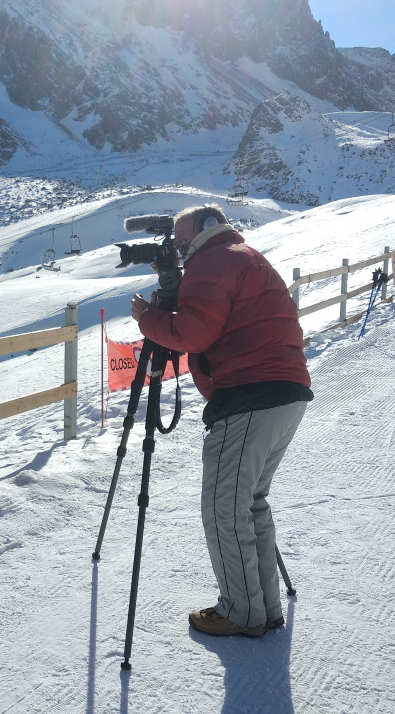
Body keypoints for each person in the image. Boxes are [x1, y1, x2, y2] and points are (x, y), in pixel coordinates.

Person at [130, 204, 312, 638]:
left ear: (196, 234)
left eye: (180, 243)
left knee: (224, 509)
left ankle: (242, 612)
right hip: (285, 392)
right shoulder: (243, 255)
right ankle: (264, 607)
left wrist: (147, 319)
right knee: (250, 503)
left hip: (249, 395)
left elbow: (193, 333)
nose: (178, 252)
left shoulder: (211, 261)